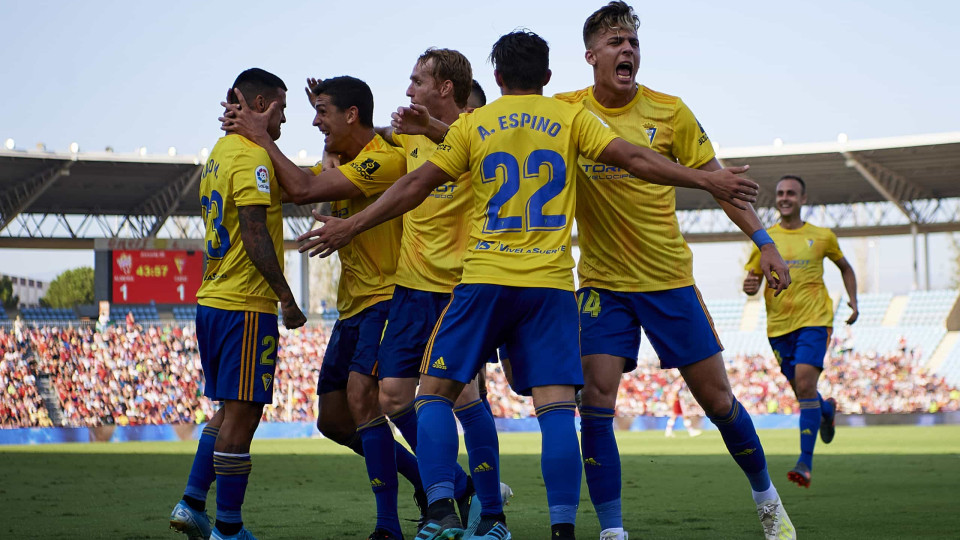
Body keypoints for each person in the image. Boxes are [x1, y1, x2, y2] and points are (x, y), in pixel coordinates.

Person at [298, 30, 761, 540]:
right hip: (549, 286)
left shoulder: (477, 124)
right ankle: (561, 528)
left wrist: (350, 225)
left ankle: (444, 512)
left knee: (431, 396)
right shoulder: (570, 118)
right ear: (546, 77)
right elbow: (636, 159)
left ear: (496, 79)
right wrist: (707, 179)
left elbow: (413, 185)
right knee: (557, 408)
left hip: (483, 281)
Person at [553, 3, 795, 539]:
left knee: (718, 401)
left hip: (668, 280)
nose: (628, 50)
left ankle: (767, 498)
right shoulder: (565, 111)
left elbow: (724, 186)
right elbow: (503, 133)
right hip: (602, 284)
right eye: (616, 41)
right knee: (595, 400)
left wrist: (765, 243)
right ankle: (613, 530)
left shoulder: (672, 111)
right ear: (591, 55)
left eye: (634, 42)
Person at [221, 76, 413, 540]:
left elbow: (304, 190)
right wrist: (252, 147)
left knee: (365, 400)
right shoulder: (344, 161)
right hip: (352, 306)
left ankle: (393, 521)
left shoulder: (383, 160)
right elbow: (288, 186)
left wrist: (261, 133)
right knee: (331, 419)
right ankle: (443, 485)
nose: (313, 120)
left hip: (385, 298)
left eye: (322, 111)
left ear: (352, 115)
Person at [169, 67, 306, 540]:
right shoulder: (251, 156)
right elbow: (253, 232)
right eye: (282, 109)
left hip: (213, 300)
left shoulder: (219, 153)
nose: (286, 119)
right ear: (263, 104)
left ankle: (191, 502)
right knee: (243, 416)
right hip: (245, 305)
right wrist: (286, 297)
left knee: (228, 411)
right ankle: (228, 529)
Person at [375, 49, 506, 537]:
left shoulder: (477, 133)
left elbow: (460, 144)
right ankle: (455, 484)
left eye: (416, 81)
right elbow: (373, 141)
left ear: (444, 87)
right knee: (392, 397)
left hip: (459, 288)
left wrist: (427, 126)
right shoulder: (408, 135)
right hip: (411, 288)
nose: (408, 90)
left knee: (464, 396)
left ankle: (484, 513)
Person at [743, 174, 857, 488]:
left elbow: (846, 267)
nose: (784, 197)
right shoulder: (763, 238)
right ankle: (825, 409)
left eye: (791, 193)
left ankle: (804, 465)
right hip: (779, 326)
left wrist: (853, 300)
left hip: (815, 319)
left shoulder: (822, 236)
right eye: (780, 193)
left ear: (803, 199)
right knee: (803, 392)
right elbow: (752, 280)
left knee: (806, 382)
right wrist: (749, 286)